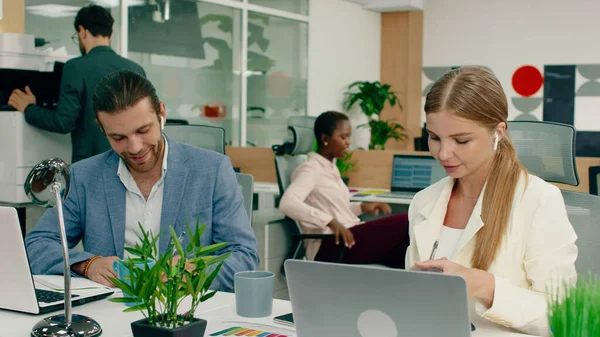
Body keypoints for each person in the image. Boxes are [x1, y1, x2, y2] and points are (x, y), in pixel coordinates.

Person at [25, 70, 258, 292]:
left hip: (183, 312)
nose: (135, 148)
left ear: (162, 113)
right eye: (119, 138)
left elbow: (244, 257)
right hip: (110, 312)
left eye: (143, 130)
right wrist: (87, 265)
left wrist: (195, 272)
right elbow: (37, 246)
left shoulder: (212, 170)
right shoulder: (85, 176)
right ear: (102, 129)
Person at [406, 67, 577, 336]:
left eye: (461, 140)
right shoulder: (424, 201)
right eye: (434, 137)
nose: (443, 153)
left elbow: (562, 315)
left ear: (497, 133)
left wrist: (485, 286)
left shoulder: (539, 201)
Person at [8, 5, 146, 163]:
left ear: (82, 31)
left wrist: (28, 108)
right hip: (130, 163)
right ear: (110, 34)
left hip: (91, 167)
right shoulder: (137, 70)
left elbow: (63, 122)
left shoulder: (75, 67)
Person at [279, 111, 410, 267]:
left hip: (345, 238)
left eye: (349, 137)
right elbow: (287, 203)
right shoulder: (310, 169)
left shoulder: (330, 168)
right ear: (325, 139)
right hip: (329, 246)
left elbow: (335, 209)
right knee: (406, 220)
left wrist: (362, 207)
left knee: (404, 252)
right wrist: (330, 222)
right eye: (343, 137)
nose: (348, 142)